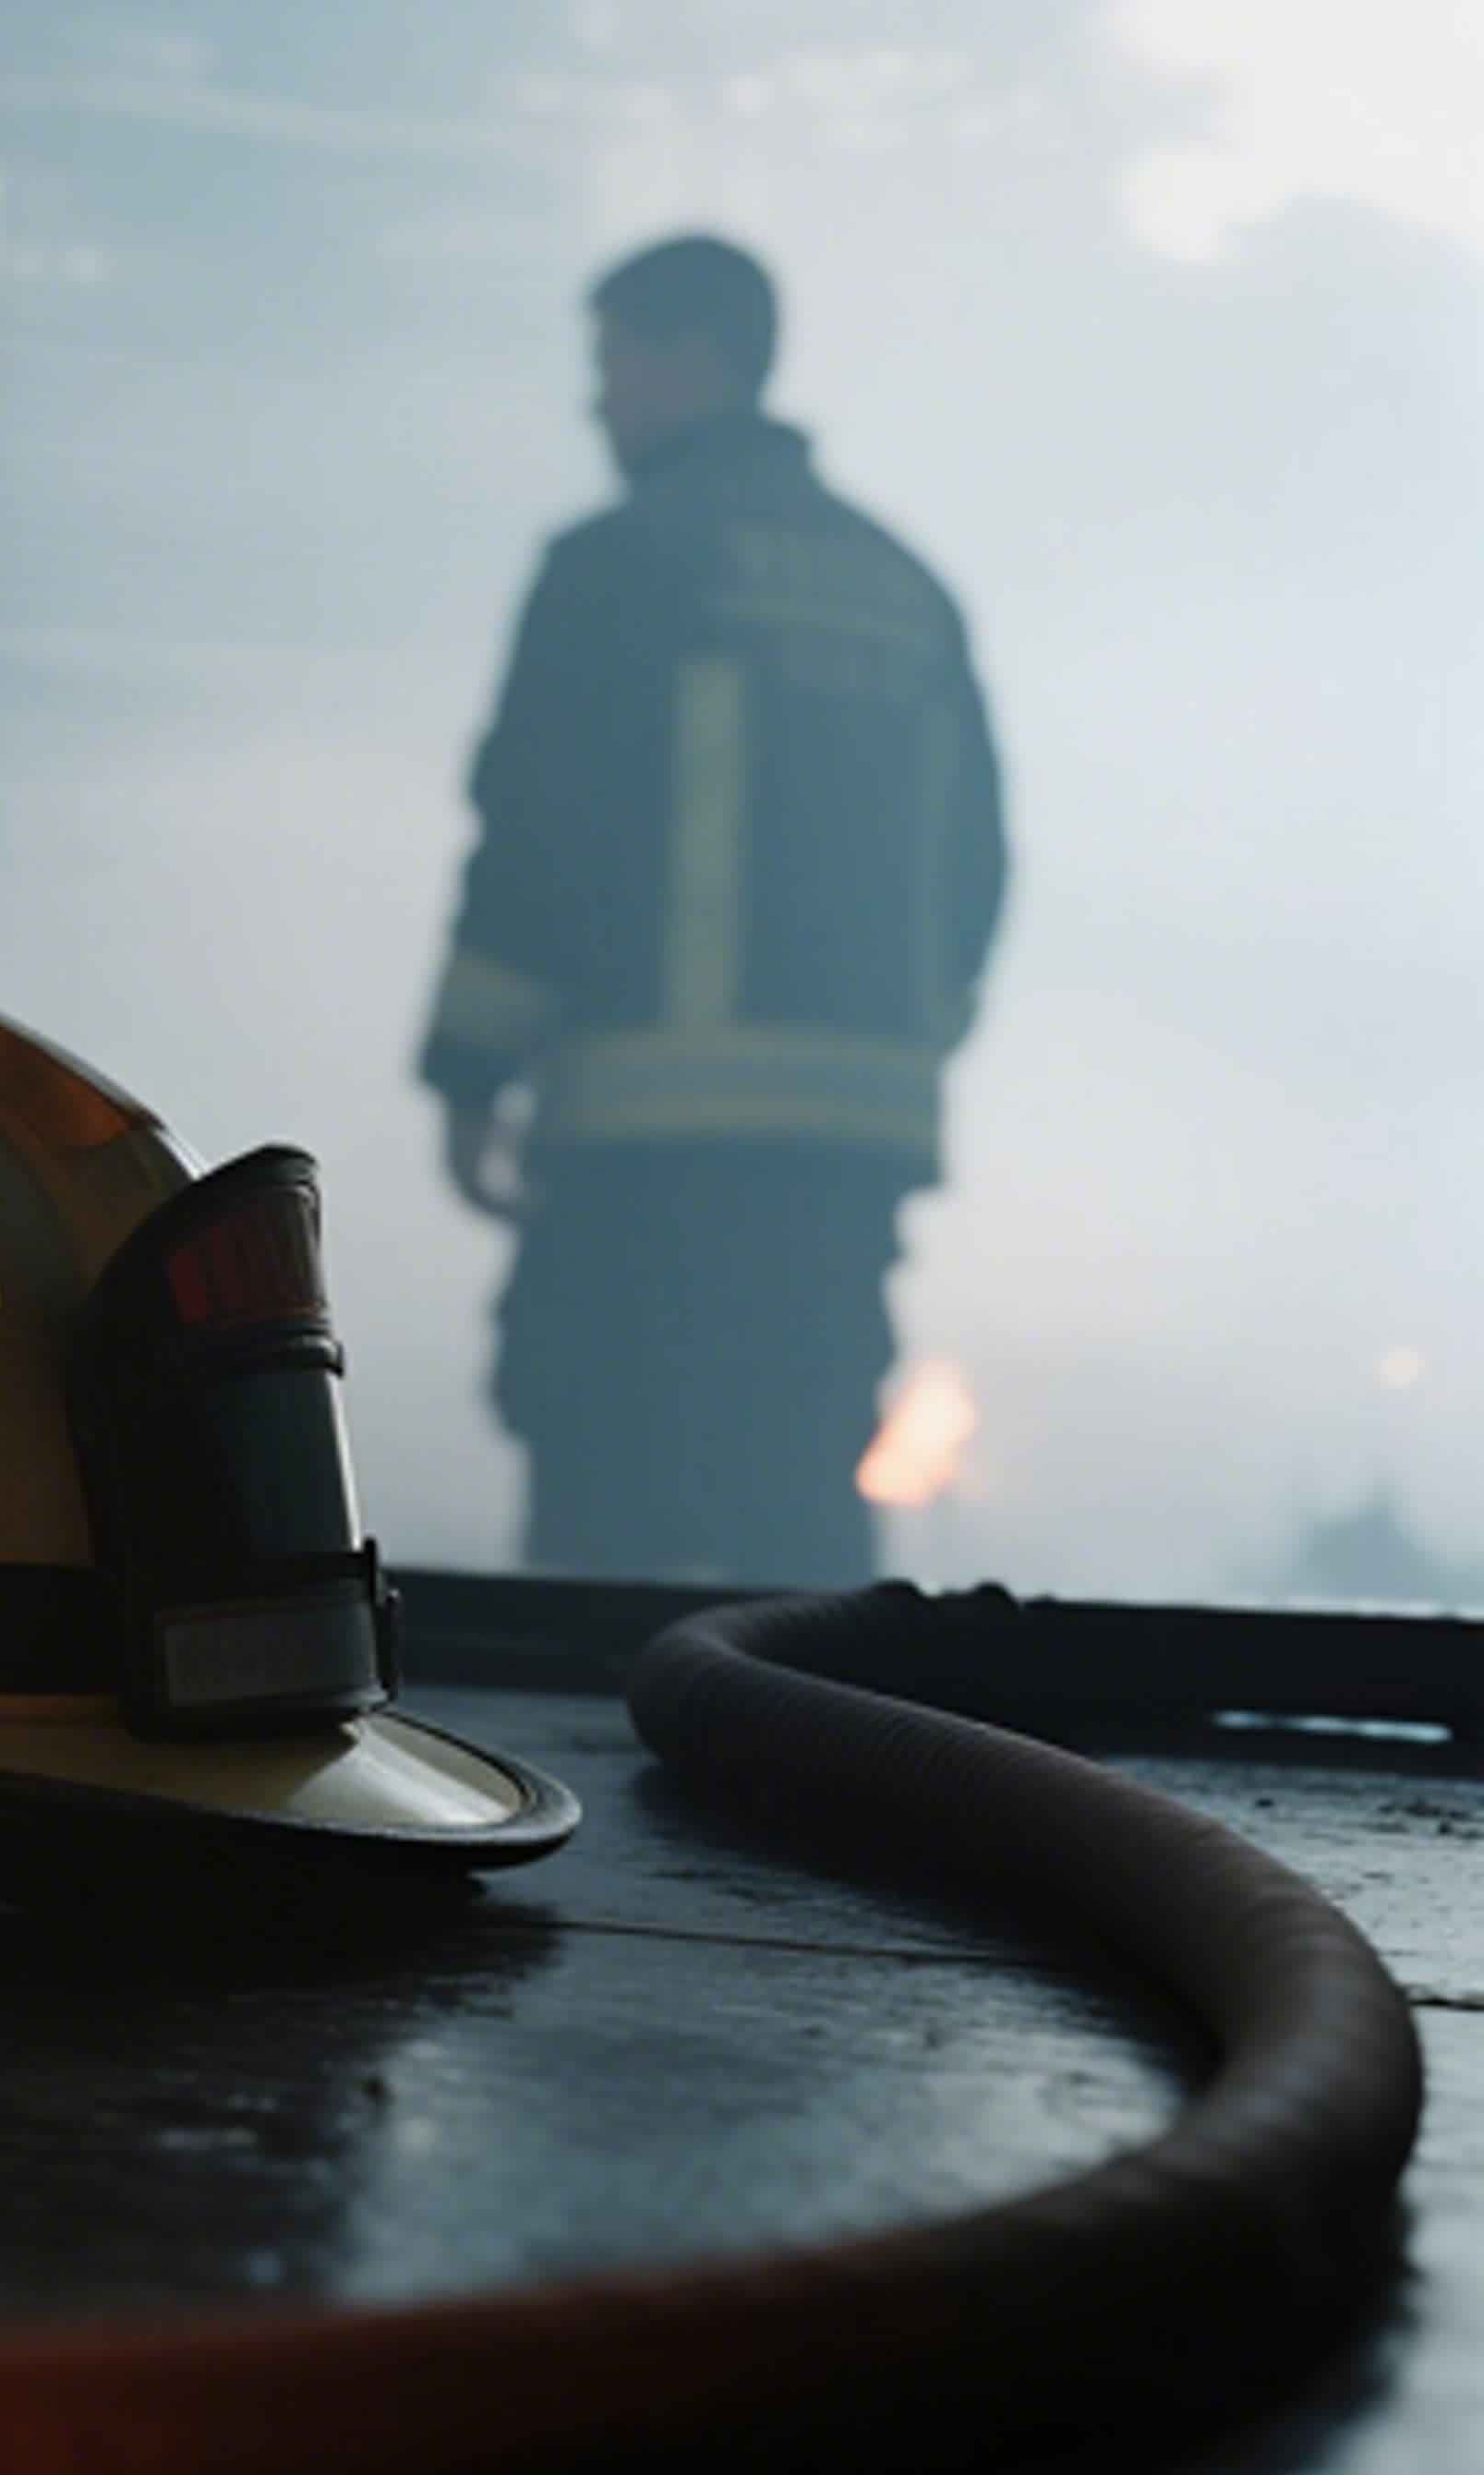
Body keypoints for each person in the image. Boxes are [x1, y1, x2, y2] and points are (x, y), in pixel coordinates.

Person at [419, 233, 1007, 1584]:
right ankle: (817, 1779)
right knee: (797, 1504)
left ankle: (620, 1795)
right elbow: (980, 867)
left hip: (646, 1160)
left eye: (613, 360)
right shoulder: (911, 592)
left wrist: (468, 1073)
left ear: (696, 358)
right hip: (847, 1168)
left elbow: (537, 832)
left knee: (617, 1514)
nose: (596, 399)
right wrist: (901, 1053)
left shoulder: (621, 565)